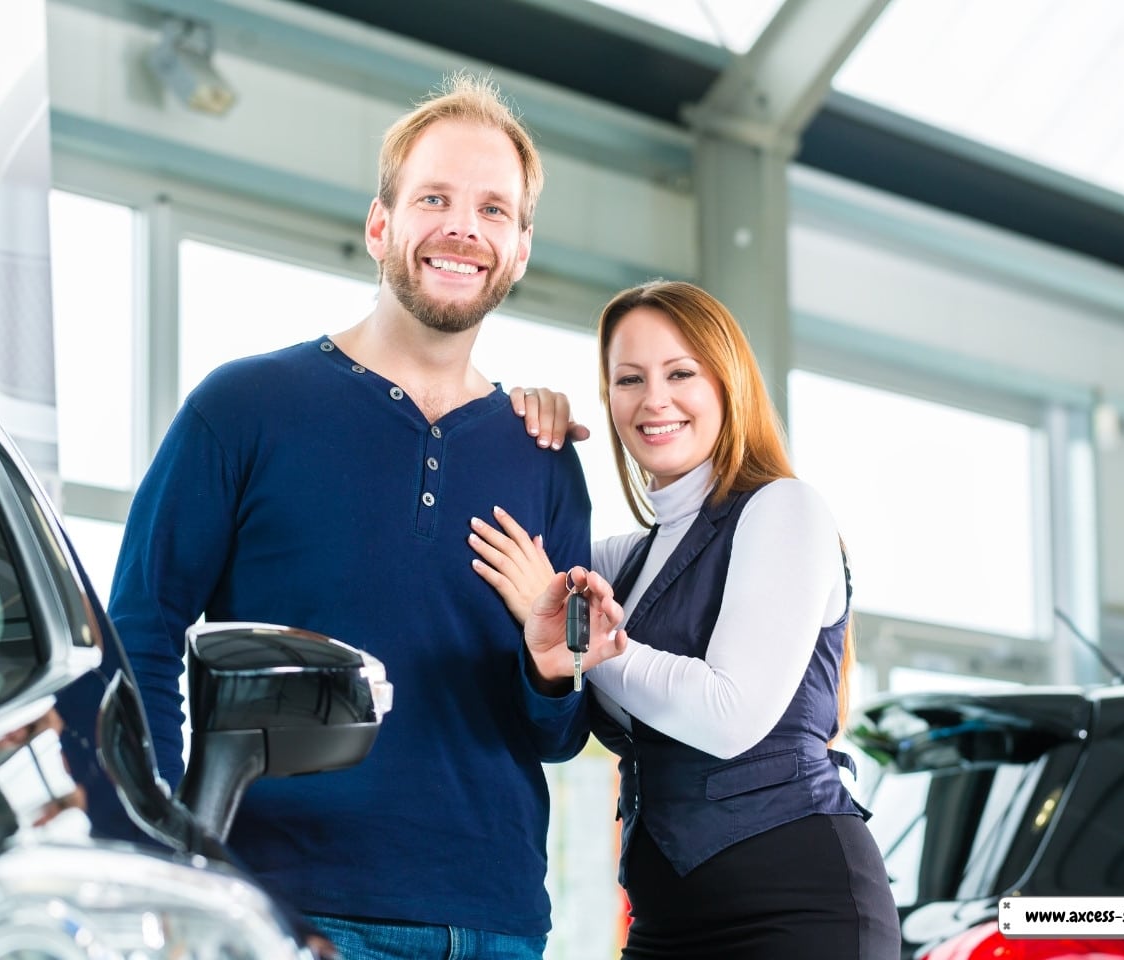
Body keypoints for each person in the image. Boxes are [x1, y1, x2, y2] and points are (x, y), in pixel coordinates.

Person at [108, 73, 613, 960]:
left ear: (520, 250)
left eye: (494, 209)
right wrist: (166, 841)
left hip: (494, 925)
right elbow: (140, 632)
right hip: (287, 907)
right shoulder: (244, 407)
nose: (464, 228)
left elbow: (561, 735)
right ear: (381, 225)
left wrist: (548, 669)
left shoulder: (546, 457)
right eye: (435, 198)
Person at [469, 280, 902, 959]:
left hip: (798, 914)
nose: (654, 400)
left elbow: (728, 714)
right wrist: (520, 427)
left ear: (728, 384)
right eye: (629, 379)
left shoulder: (784, 508)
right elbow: (499, 556)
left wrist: (583, 641)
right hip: (664, 921)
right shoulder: (621, 563)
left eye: (680, 373)